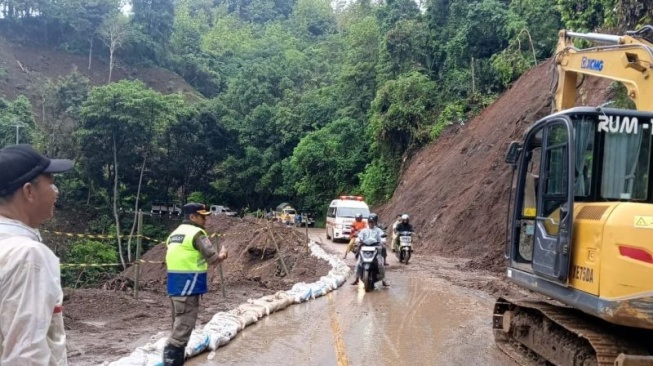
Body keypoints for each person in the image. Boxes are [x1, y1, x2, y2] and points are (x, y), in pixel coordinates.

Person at [0, 144, 73, 365]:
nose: (56, 191)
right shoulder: (27, 255)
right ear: (29, 191)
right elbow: (25, 355)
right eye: (51, 183)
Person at [163, 203, 228, 366]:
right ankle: (172, 360)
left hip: (174, 286)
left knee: (177, 325)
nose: (205, 219)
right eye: (202, 216)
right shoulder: (197, 233)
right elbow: (213, 259)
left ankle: (175, 358)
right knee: (183, 329)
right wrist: (223, 254)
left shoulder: (174, 234)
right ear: (192, 217)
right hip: (188, 286)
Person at [351, 213, 389, 287]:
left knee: (380, 263)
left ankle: (384, 280)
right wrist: (358, 240)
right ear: (368, 222)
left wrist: (382, 241)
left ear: (375, 222)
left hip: (376, 248)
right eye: (370, 222)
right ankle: (356, 279)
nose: (371, 223)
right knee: (358, 262)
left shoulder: (378, 230)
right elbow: (359, 236)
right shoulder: (364, 230)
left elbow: (382, 237)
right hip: (365, 247)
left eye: (372, 222)